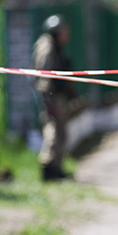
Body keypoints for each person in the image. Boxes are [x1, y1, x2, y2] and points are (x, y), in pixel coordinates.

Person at [32, 14, 76, 181]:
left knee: (61, 134)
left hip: (58, 96)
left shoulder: (56, 47)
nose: (66, 35)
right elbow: (44, 78)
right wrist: (49, 103)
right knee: (52, 132)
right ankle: (48, 168)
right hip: (51, 97)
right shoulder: (47, 47)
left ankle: (57, 168)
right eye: (63, 31)